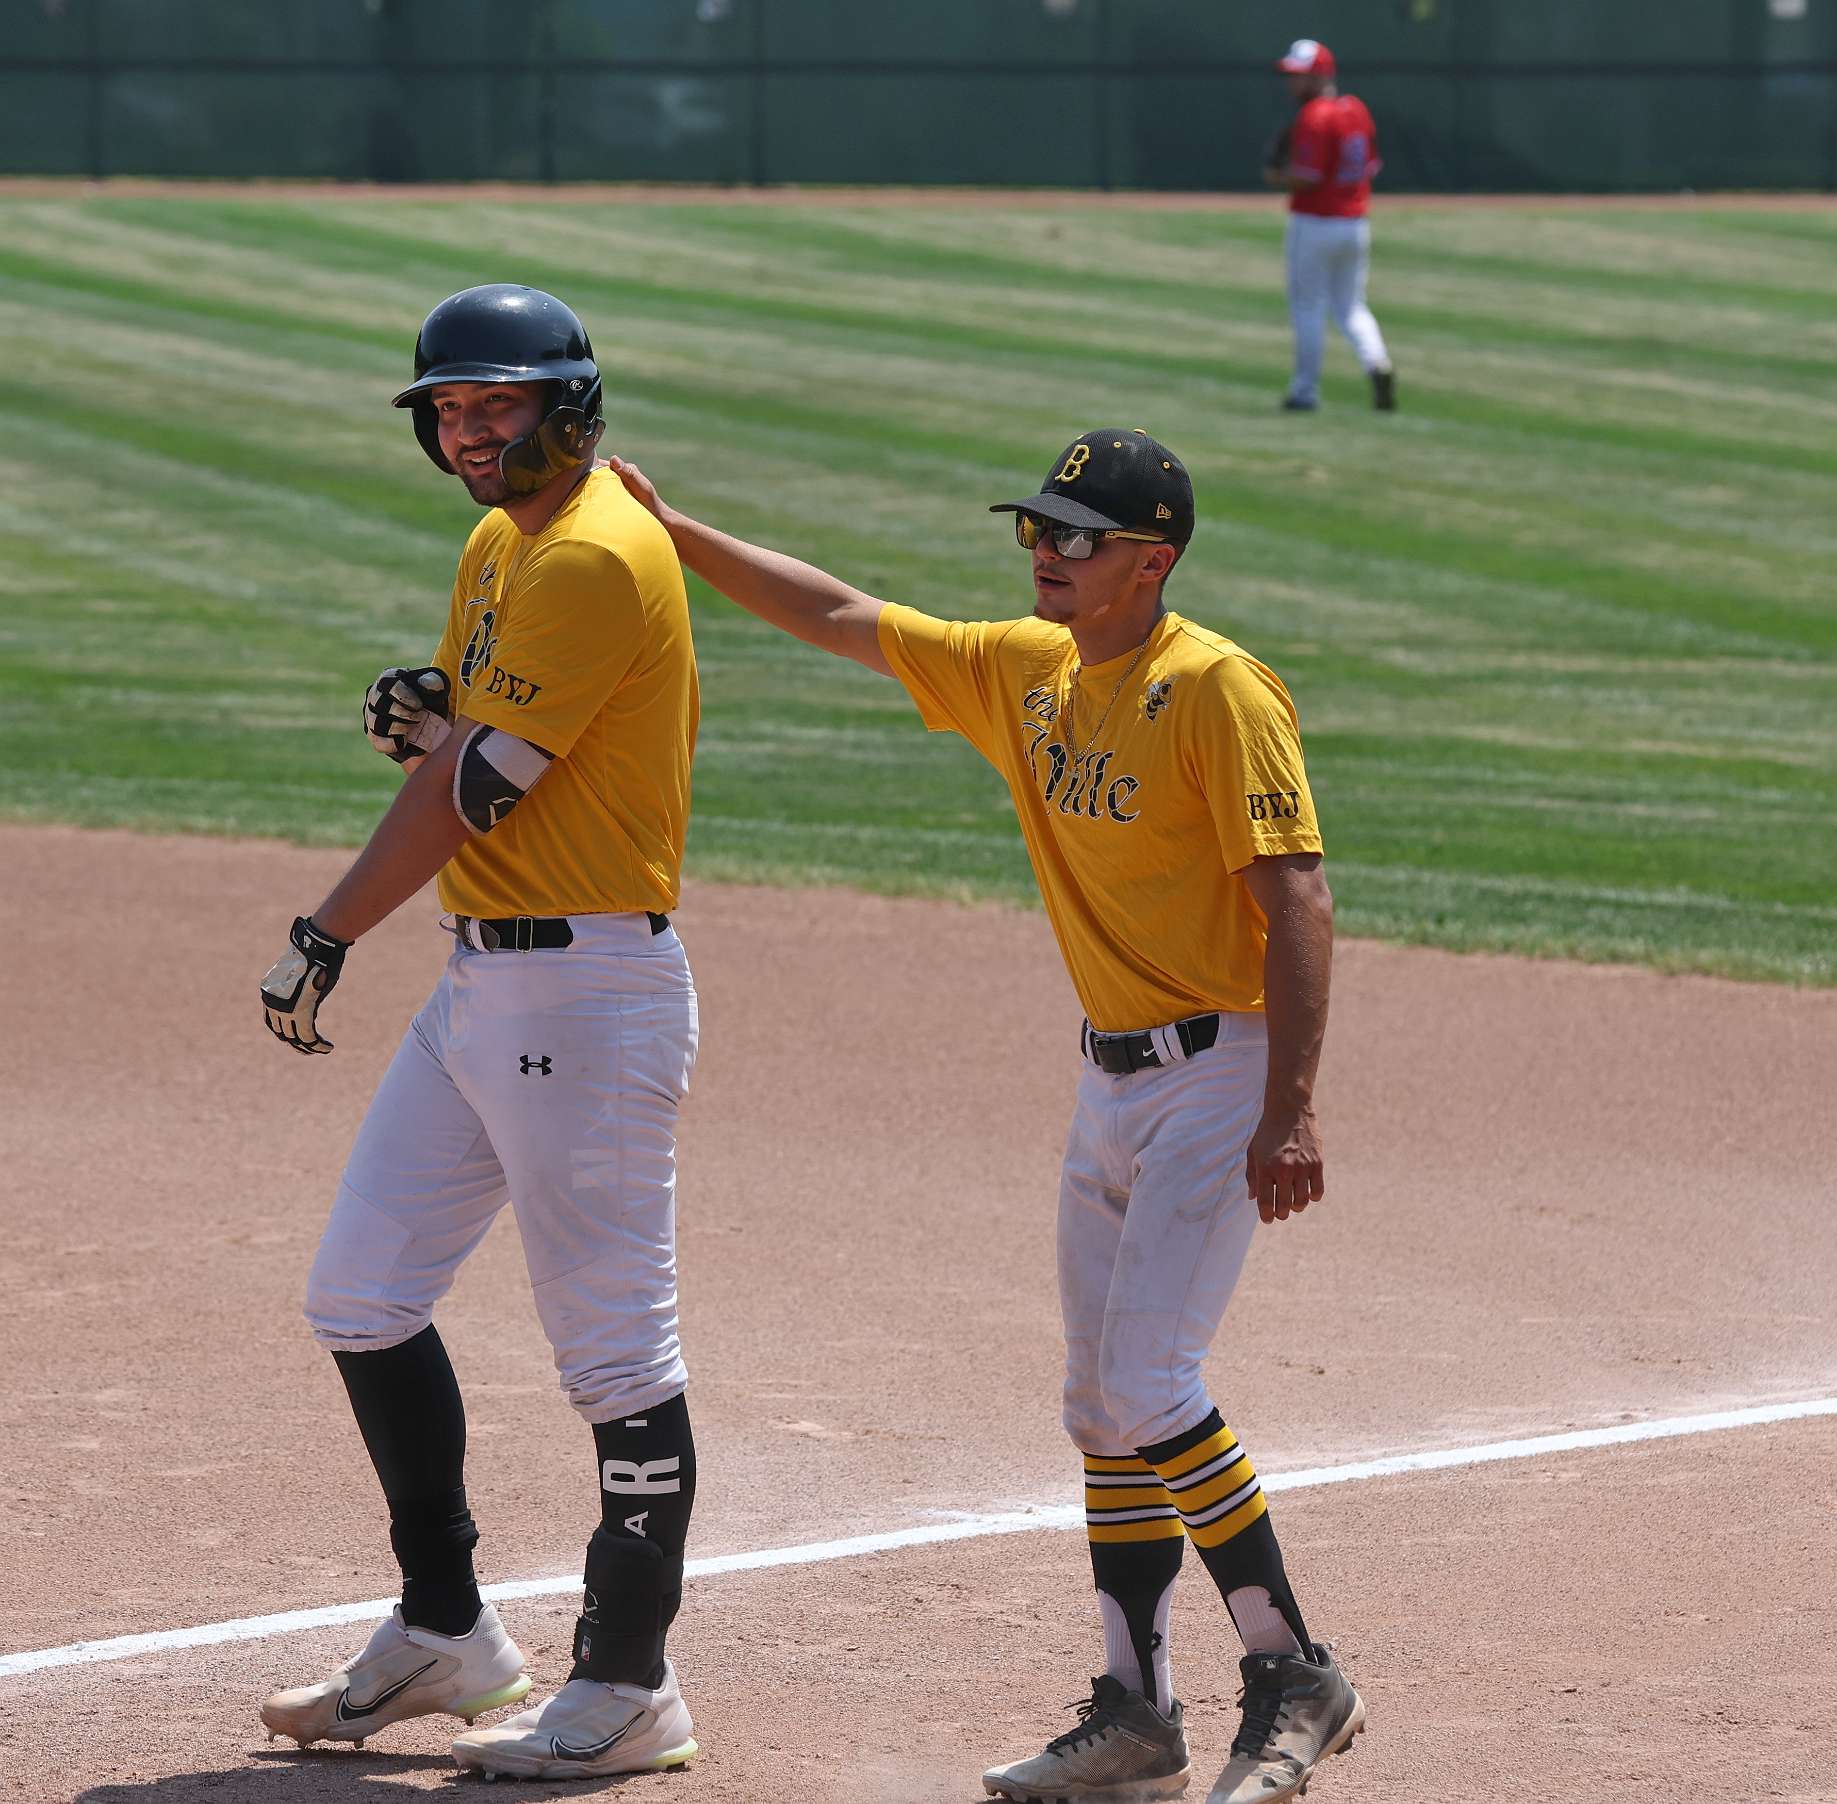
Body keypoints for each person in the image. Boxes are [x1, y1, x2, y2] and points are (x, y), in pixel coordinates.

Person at [609, 429, 1362, 1804]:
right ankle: (1137, 1713)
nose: (1044, 553)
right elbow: (843, 616)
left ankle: (1294, 1670)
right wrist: (678, 532)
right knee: (1100, 1407)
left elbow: (1298, 896)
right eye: (1036, 529)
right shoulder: (1029, 671)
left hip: (1221, 1070)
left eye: (1076, 537)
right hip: (1110, 1081)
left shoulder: (1216, 689)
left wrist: (1291, 1107)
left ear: (1152, 560)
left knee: (1151, 1384)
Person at [254, 283, 705, 1782]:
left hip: (587, 993)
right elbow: (477, 734)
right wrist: (436, 703)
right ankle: (447, 1630)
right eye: (448, 409)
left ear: (569, 406)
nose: (466, 432)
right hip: (487, 983)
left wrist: (329, 928)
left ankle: (630, 1685)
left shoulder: (590, 552)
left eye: (495, 405)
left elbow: (473, 791)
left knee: (617, 1355)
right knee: (361, 1294)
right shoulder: (503, 541)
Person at [1265, 37, 1396, 413]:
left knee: (1307, 306)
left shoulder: (1315, 116)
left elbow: (1306, 177)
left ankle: (1305, 391)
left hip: (1315, 222)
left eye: (1300, 75)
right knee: (1351, 306)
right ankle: (1377, 362)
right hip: (1354, 224)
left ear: (1321, 75)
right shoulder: (1356, 110)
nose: (1292, 82)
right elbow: (1371, 166)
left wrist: (1276, 176)